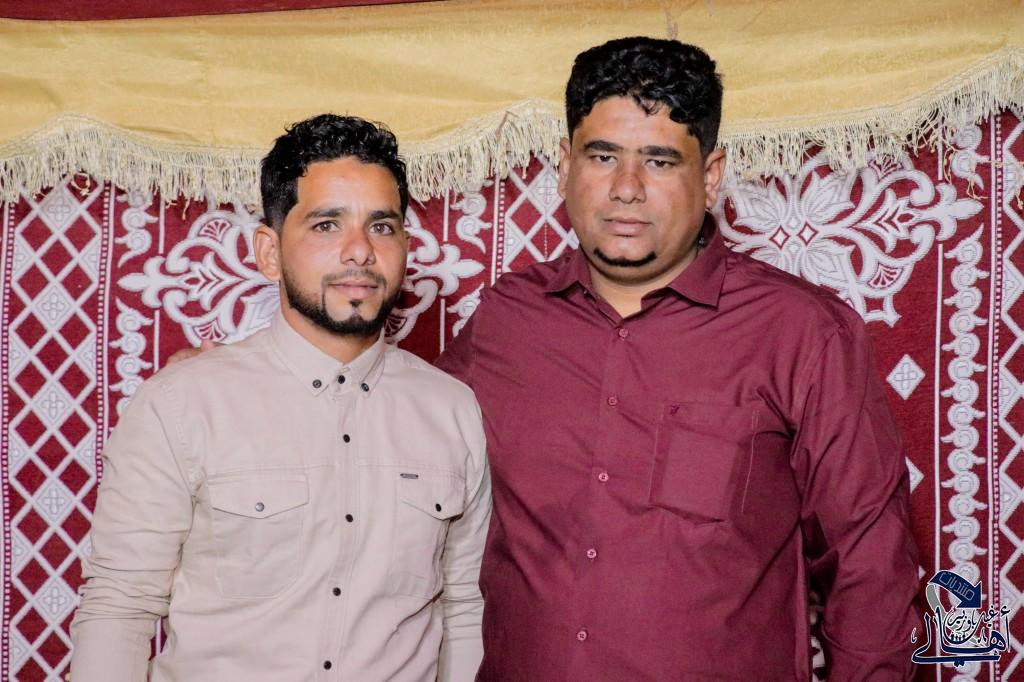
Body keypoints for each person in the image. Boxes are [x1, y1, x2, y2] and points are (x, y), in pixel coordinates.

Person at [436, 37, 920, 680]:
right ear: (566, 165)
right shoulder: (507, 320)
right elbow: (403, 465)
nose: (626, 189)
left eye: (660, 161)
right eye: (602, 156)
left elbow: (872, 567)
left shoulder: (802, 334)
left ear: (711, 176)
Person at [70, 114, 491, 682]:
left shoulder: (453, 412)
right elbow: (120, 605)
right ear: (269, 252)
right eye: (326, 225)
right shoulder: (183, 405)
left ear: (405, 247)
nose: (360, 251)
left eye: (382, 226)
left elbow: (463, 609)